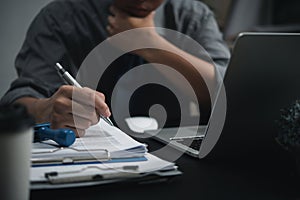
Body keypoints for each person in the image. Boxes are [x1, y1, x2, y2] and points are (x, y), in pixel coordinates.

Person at [1, 0, 230, 137]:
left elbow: (230, 91)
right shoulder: (61, 19)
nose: (142, 1)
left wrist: (150, 44)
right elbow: (19, 99)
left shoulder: (192, 16)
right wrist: (46, 109)